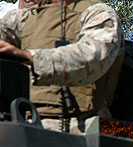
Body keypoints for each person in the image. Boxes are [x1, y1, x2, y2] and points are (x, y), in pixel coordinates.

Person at [0, 0, 123, 133]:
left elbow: (92, 56)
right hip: (26, 119)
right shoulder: (26, 17)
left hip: (86, 125)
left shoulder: (99, 13)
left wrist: (31, 58)